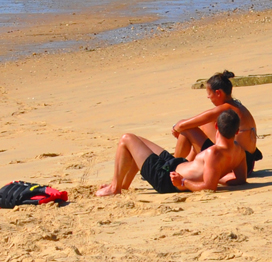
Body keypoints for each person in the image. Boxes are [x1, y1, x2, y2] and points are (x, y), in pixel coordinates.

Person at [96, 110, 246, 197]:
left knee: (126, 139)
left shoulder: (213, 153)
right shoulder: (239, 151)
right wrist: (217, 175)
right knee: (138, 141)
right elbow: (239, 179)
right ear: (237, 131)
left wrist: (183, 182)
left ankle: (115, 188)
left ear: (216, 127)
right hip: (174, 165)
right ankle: (123, 185)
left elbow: (209, 187)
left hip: (166, 178)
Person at [172, 70, 260, 175]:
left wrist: (176, 128)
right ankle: (185, 165)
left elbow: (182, 125)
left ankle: (171, 166)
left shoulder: (225, 109)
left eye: (209, 93)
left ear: (218, 93)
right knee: (205, 125)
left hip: (237, 166)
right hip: (246, 164)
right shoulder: (237, 105)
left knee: (188, 130)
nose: (208, 97)